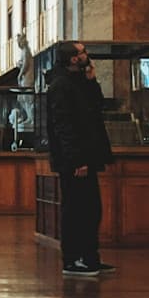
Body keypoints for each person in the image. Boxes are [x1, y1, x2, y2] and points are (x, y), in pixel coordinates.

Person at [47, 41, 115, 276]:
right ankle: (72, 260)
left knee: (91, 209)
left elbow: (97, 107)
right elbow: (63, 125)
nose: (87, 55)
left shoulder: (78, 82)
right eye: (82, 52)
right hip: (75, 161)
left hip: (87, 155)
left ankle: (89, 257)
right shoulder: (60, 85)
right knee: (76, 210)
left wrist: (92, 80)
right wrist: (76, 160)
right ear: (73, 59)